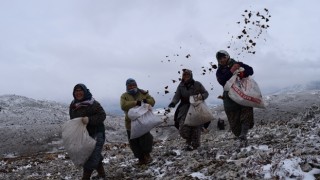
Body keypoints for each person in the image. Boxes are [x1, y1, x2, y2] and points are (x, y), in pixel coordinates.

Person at [215, 50, 254, 147]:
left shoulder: (238, 64)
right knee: (235, 126)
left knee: (246, 112)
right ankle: (240, 135)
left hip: (243, 93)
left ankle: (243, 135)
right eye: (220, 59)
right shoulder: (219, 71)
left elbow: (250, 71)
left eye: (223, 57)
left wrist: (243, 74)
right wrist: (231, 71)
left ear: (227, 56)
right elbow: (222, 81)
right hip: (229, 98)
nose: (222, 60)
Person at [69, 83, 107, 180]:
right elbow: (73, 119)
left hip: (97, 132)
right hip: (84, 135)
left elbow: (102, 116)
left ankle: (85, 177)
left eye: (80, 90)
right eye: (76, 91)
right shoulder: (73, 105)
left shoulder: (93, 103)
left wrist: (89, 119)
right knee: (92, 154)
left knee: (92, 155)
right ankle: (102, 174)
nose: (78, 93)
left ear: (85, 91)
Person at [168, 69, 209, 151]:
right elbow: (177, 96)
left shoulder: (197, 84)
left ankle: (195, 147)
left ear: (191, 76)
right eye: (184, 75)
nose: (186, 77)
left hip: (196, 107)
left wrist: (201, 96)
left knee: (196, 127)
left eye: (188, 75)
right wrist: (173, 103)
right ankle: (188, 140)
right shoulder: (181, 86)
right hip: (184, 108)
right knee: (183, 129)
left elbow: (206, 93)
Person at [120, 78, 155, 165]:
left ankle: (147, 154)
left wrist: (145, 101)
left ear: (136, 84)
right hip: (130, 123)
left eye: (133, 85)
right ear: (127, 87)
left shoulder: (143, 93)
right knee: (133, 142)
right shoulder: (124, 96)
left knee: (146, 138)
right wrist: (136, 103)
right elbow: (123, 106)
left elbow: (152, 101)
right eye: (130, 85)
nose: (132, 87)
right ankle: (140, 159)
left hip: (143, 121)